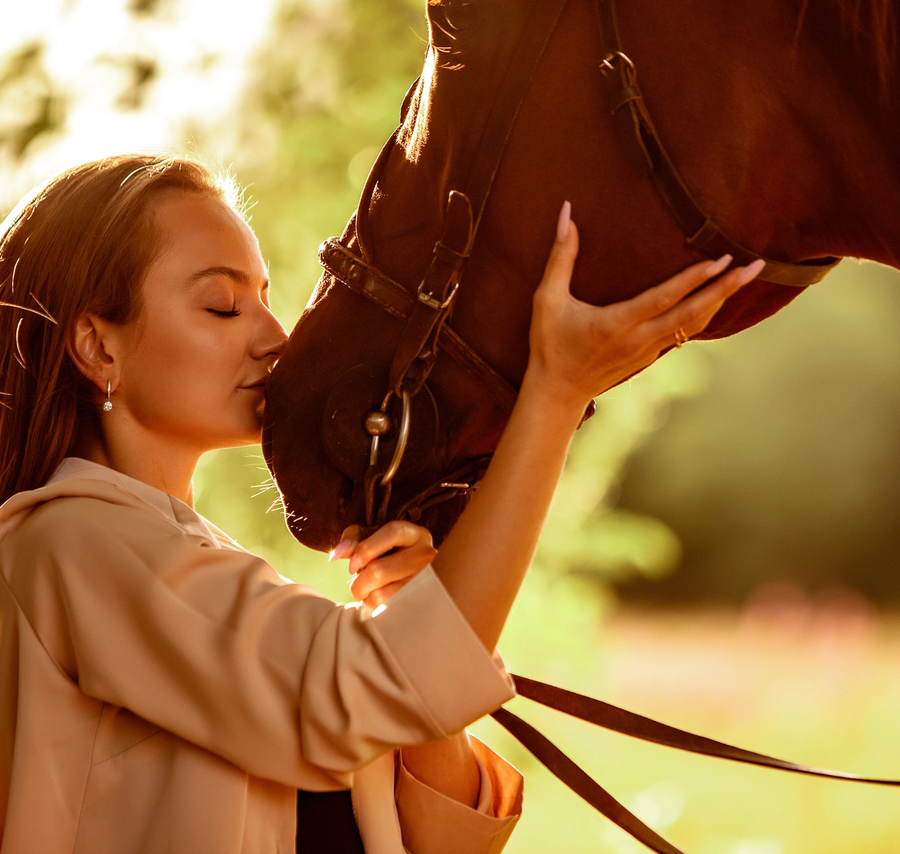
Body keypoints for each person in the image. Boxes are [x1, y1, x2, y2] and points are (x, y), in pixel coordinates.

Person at [0, 154, 763, 854]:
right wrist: (556, 393)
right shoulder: (71, 540)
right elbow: (374, 691)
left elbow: (443, 836)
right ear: (98, 347)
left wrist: (416, 616)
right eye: (224, 308)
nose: (275, 336)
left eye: (267, 299)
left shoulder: (190, 562)